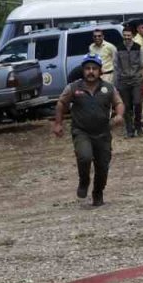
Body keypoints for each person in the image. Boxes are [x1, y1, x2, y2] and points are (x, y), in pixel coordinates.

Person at [52, 54, 123, 207]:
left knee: (102, 166)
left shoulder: (108, 88)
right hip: (81, 131)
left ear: (100, 71)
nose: (91, 72)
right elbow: (61, 104)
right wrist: (58, 124)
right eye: (87, 69)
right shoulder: (73, 87)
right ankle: (84, 181)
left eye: (94, 69)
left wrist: (119, 115)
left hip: (103, 133)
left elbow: (118, 103)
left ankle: (98, 193)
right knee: (84, 157)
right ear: (83, 70)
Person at [113, 26, 143, 137]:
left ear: (132, 36)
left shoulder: (138, 48)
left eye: (129, 35)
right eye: (125, 35)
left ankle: (138, 127)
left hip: (136, 80)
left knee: (137, 103)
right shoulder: (118, 49)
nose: (127, 37)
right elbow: (116, 66)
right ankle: (129, 130)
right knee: (127, 106)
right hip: (123, 81)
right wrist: (116, 84)